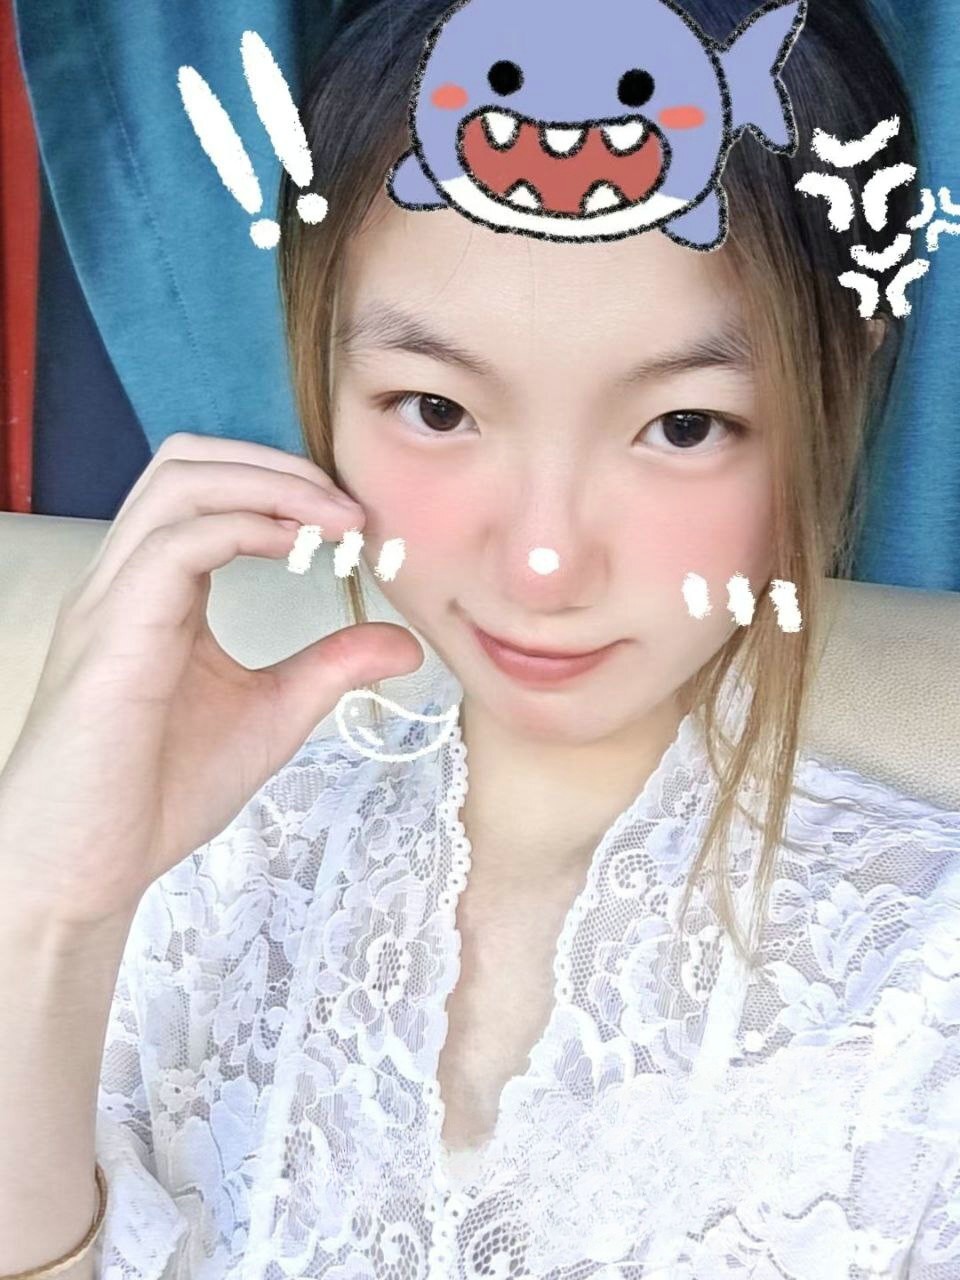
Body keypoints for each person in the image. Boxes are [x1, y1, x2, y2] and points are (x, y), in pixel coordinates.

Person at [0, 0, 958, 1276]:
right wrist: (43, 911)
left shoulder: (924, 986)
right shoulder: (190, 862)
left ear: (838, 383)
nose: (545, 561)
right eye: (438, 408)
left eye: (682, 425)